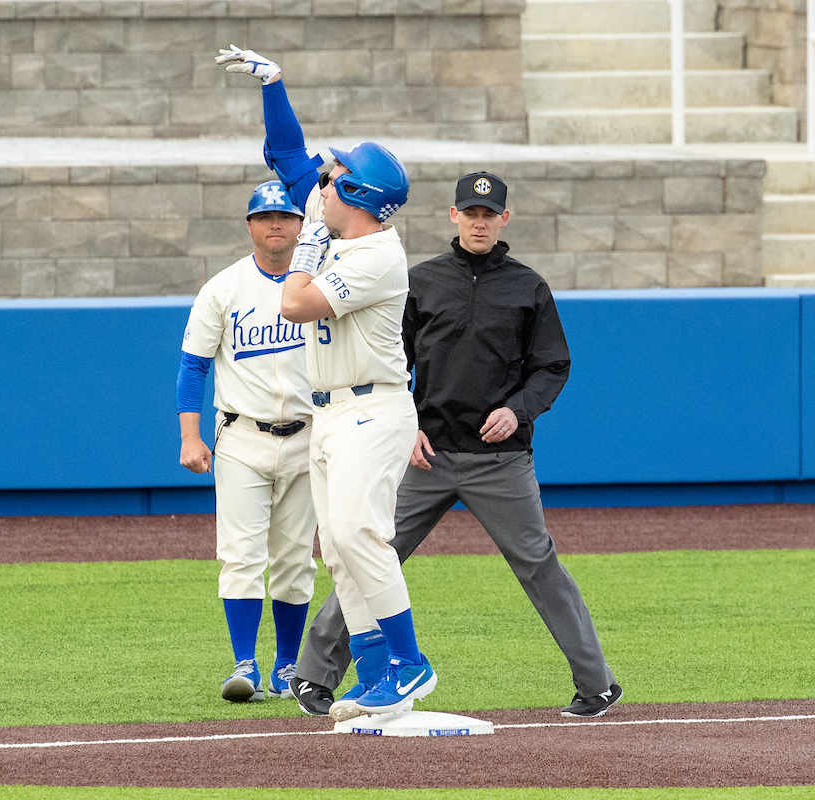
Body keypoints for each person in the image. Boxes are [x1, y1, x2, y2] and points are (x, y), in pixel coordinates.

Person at [291, 169, 624, 719]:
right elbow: (388, 359)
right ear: (454, 216)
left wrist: (517, 412)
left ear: (504, 220)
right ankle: (315, 674)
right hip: (427, 451)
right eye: (470, 213)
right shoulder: (419, 280)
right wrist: (409, 423)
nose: (479, 222)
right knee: (369, 547)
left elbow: (553, 366)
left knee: (539, 565)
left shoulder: (528, 287)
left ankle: (597, 683)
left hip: (501, 460)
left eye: (489, 215)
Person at [218, 46, 438, 723]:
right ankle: (375, 678)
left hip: (373, 409)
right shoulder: (338, 226)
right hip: (332, 412)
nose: (325, 176)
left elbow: (294, 305)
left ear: (360, 195)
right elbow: (289, 156)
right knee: (337, 547)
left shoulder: (375, 254)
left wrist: (307, 253)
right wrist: (274, 86)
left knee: (356, 533)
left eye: (339, 173)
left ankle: (410, 664)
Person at [177, 180, 319, 703]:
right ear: (250, 226)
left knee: (294, 558)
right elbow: (192, 367)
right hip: (241, 435)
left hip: (308, 435)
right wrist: (190, 437)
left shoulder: (321, 282)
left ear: (301, 226)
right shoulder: (224, 287)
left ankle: (286, 666)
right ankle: (244, 663)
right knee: (240, 555)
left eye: (285, 215)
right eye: (265, 217)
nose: (276, 224)